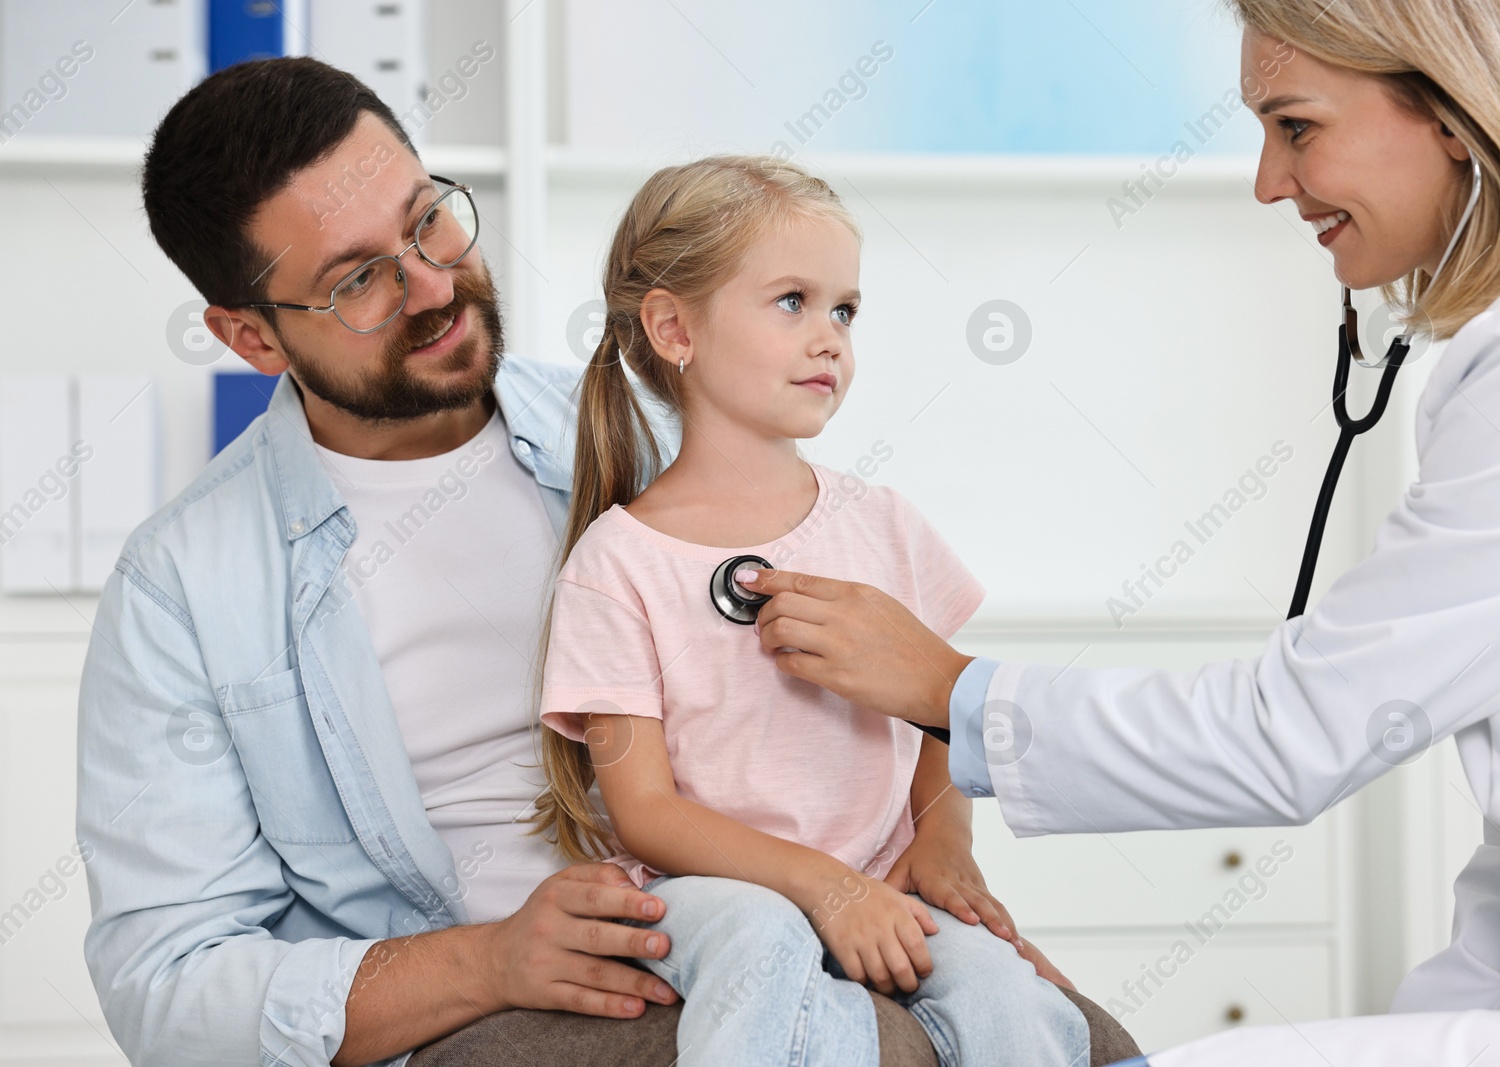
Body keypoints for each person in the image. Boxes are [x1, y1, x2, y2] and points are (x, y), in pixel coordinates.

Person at [74, 57, 1138, 1067]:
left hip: (784, 905)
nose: (433, 286)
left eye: (429, 222)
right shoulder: (184, 588)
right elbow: (165, 985)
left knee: (1071, 1035)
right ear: (252, 336)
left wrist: (917, 863)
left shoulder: (651, 429)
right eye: (359, 280)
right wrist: (486, 960)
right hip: (521, 1000)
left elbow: (868, 697)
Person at [740, 0, 1500, 1063]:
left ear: (1455, 113)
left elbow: (1298, 730)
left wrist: (947, 688)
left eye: (1295, 126)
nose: (1268, 181)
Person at [531, 155, 1094, 1066]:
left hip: (877, 877)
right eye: (792, 301)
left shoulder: (881, 524)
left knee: (1002, 993)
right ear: (675, 327)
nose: (831, 337)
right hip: (711, 890)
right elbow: (646, 813)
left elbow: (936, 708)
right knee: (763, 940)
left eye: (845, 309)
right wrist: (825, 891)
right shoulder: (618, 563)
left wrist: (944, 839)